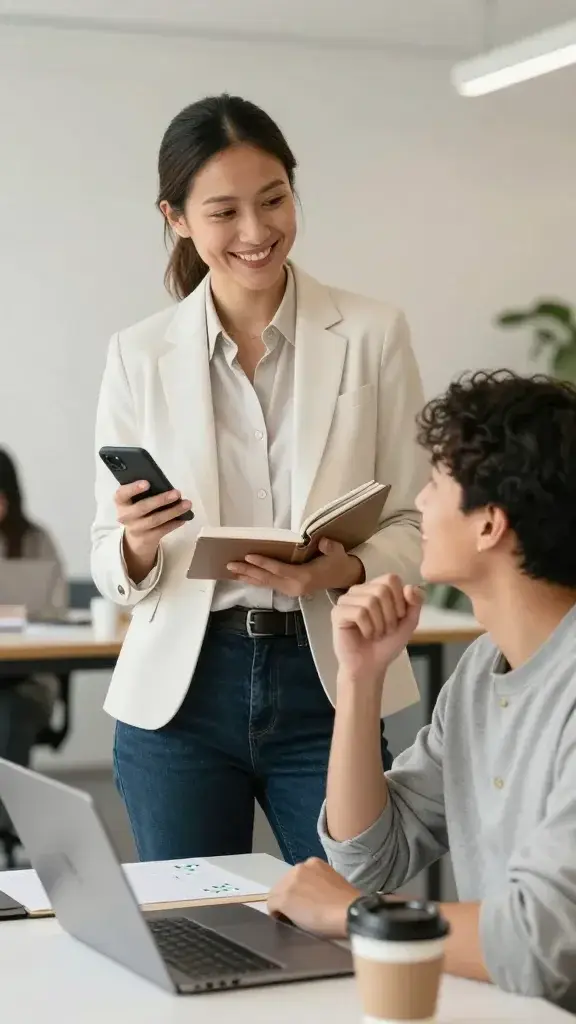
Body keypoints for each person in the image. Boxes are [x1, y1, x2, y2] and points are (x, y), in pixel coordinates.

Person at [91, 94, 427, 865]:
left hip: (328, 683)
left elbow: (415, 522)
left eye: (274, 199)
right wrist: (138, 546)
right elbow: (108, 555)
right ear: (176, 218)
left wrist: (346, 568)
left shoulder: (373, 333)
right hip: (180, 694)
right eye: (224, 212)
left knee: (346, 921)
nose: (256, 232)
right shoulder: (136, 355)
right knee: (192, 936)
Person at [267, 370, 576, 1013]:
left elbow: (540, 943)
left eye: (435, 482)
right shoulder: (480, 669)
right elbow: (369, 859)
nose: (419, 499)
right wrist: (360, 678)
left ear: (490, 524)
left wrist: (354, 915)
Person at [0, 448, 67, 846]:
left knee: (7, 711)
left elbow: (56, 612)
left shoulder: (35, 540)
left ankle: (6, 821)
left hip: (27, 681)